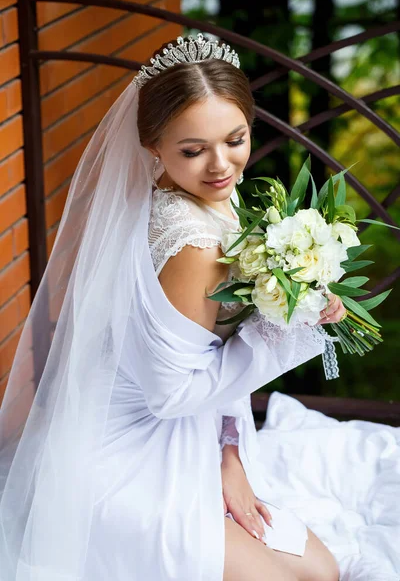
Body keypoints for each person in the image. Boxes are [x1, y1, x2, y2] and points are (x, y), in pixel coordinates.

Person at [0, 33, 344, 581]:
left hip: (188, 422)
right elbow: (173, 393)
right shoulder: (192, 243)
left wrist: (230, 457)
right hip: (125, 451)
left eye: (235, 139)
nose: (220, 164)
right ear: (153, 147)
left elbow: (211, 350)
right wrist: (289, 326)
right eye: (193, 149)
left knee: (323, 569)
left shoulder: (205, 193)